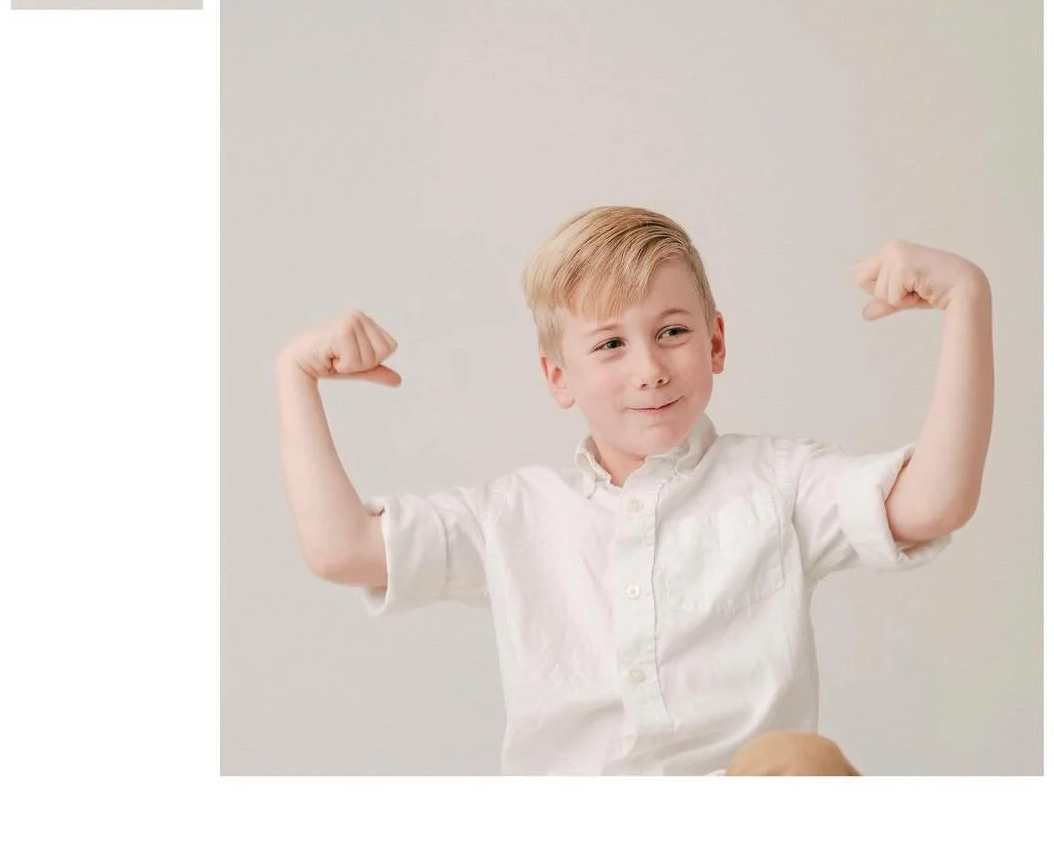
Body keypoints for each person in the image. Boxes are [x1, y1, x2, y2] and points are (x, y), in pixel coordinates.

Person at [275, 207, 995, 775]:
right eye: (611, 344)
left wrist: (967, 298)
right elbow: (344, 550)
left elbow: (933, 503)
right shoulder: (515, 515)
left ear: (715, 342)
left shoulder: (780, 482)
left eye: (672, 331)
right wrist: (295, 375)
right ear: (558, 376)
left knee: (800, 763)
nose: (648, 368)